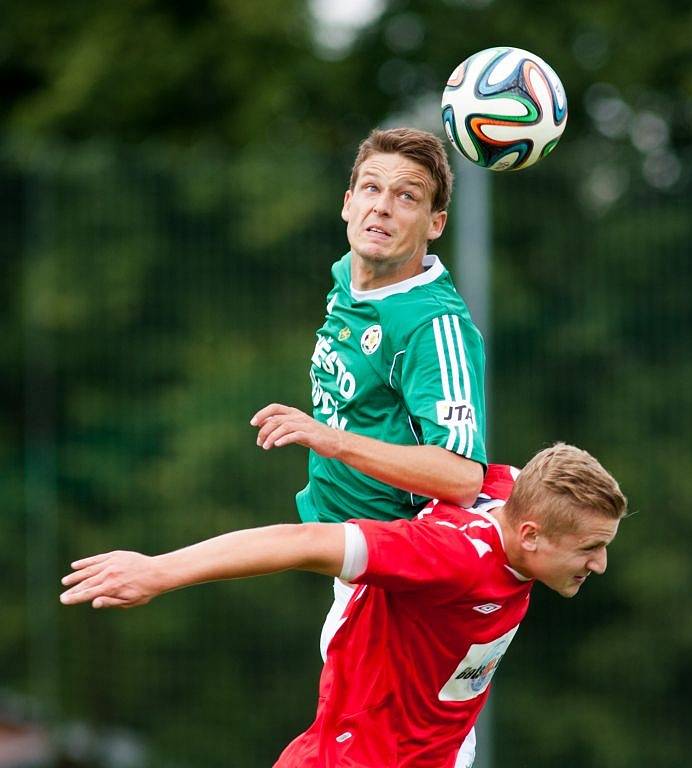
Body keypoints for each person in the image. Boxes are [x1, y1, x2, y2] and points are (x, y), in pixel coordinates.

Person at [60, 443, 628, 768]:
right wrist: (159, 571)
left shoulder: (509, 489)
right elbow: (302, 542)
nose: (599, 564)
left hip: (442, 751)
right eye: (591, 548)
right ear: (529, 535)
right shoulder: (449, 559)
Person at [250, 127, 489, 766]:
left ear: (436, 223)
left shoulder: (433, 324)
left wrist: (330, 438)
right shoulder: (351, 283)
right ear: (347, 202)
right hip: (361, 574)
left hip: (405, 583)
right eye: (372, 188)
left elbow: (462, 475)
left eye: (407, 197)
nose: (383, 206)